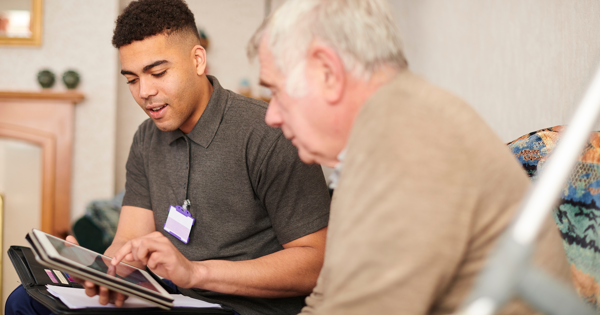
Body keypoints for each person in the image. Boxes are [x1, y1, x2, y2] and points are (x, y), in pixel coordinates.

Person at [247, 0, 573, 314]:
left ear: (328, 72)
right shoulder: (381, 131)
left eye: (275, 91)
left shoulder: (407, 142)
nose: (271, 116)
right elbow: (330, 293)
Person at [5, 1, 331, 315]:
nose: (144, 91)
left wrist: (196, 273)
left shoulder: (269, 133)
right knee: (25, 300)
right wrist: (100, 270)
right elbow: (129, 240)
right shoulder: (147, 138)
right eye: (132, 79)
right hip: (170, 296)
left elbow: (315, 264)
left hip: (240, 306)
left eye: (157, 72)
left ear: (198, 60)